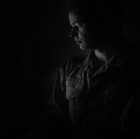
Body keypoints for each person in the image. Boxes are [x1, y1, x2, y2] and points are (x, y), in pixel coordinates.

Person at [24, 0, 140, 138]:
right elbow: (54, 117)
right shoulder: (71, 68)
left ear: (104, 23)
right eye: (72, 27)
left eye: (78, 26)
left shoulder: (135, 70)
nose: (72, 33)